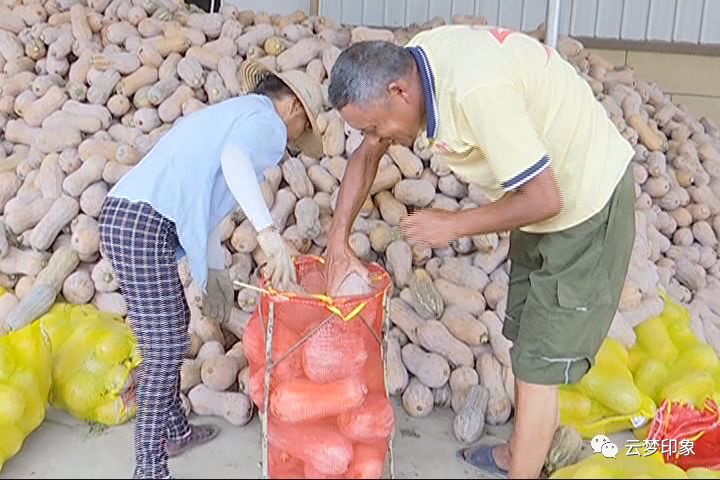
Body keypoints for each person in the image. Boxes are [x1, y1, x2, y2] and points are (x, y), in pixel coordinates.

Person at [324, 25, 636, 479]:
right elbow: (369, 153)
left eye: (375, 125)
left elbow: (547, 199)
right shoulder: (413, 65)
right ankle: (520, 453)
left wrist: (451, 225)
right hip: (538, 202)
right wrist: (338, 239)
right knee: (526, 341)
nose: (376, 136)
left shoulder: (475, 91)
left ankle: (523, 470)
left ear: (399, 91)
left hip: (585, 203)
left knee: (537, 367)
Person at [98, 63, 323, 480]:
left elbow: (202, 211)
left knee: (172, 328)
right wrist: (269, 234)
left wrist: (214, 282)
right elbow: (235, 161)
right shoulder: (266, 123)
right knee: (164, 347)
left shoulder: (233, 114)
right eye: (302, 128)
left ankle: (175, 430)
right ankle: (149, 469)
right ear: (293, 106)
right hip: (143, 223)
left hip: (128, 219)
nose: (294, 141)